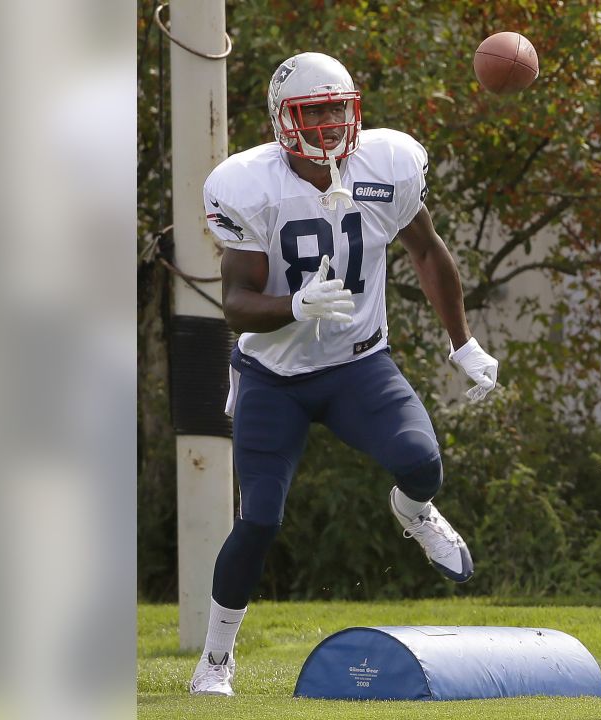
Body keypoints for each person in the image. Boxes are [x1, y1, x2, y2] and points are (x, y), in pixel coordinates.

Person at [188, 52, 500, 697]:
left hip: (358, 363)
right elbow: (236, 302)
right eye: (314, 112)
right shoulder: (247, 185)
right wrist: (291, 306)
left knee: (421, 464)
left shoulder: (386, 165)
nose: (329, 126)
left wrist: (461, 343)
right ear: (283, 120)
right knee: (261, 520)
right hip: (273, 373)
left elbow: (427, 251)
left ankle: (413, 512)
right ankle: (217, 656)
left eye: (338, 109)